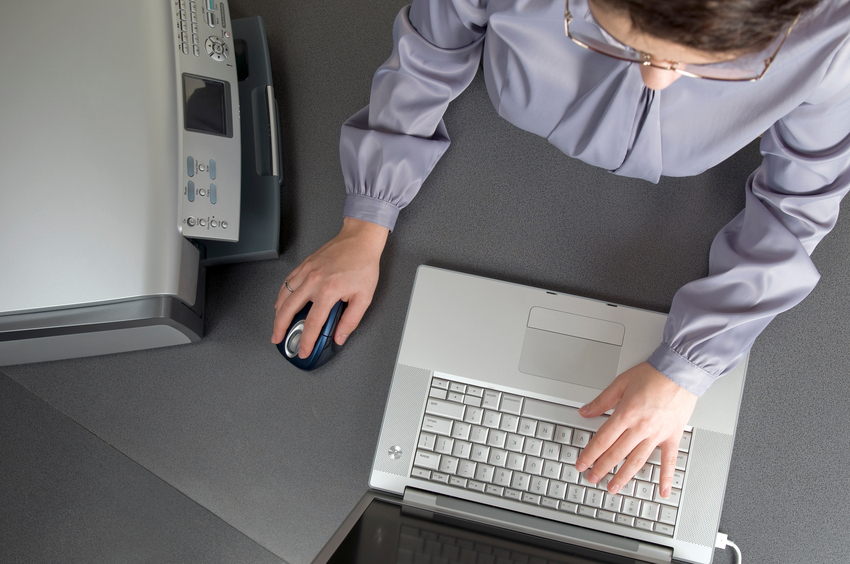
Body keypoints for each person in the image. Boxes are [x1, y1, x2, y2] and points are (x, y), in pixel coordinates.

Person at [272, 0, 850, 500]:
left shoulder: (828, 30)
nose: (656, 80)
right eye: (623, 41)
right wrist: (366, 221)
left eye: (703, 66)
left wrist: (688, 366)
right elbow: (428, 53)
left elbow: (799, 201)